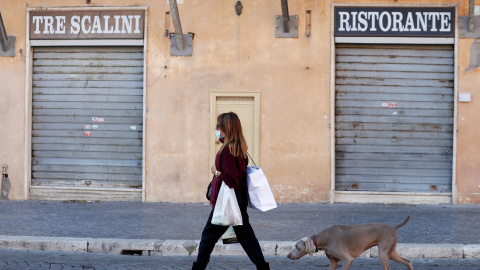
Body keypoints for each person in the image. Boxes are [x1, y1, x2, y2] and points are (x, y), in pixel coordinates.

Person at [192, 112, 270, 270]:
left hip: (229, 199)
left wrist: (215, 171)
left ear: (226, 128)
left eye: (218, 126)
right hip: (237, 197)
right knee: (246, 236)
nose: (216, 129)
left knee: (209, 236)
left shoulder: (228, 150)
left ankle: (198, 268)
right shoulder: (238, 147)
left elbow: (230, 177)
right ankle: (263, 267)